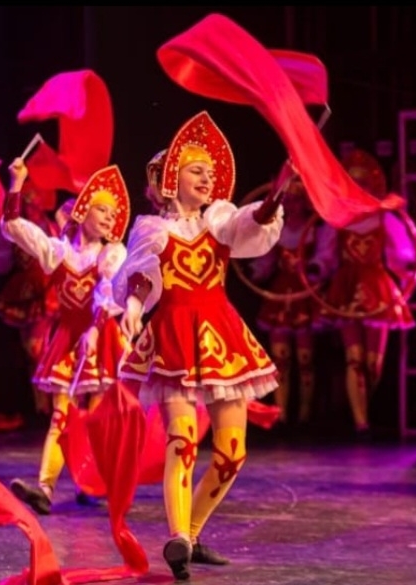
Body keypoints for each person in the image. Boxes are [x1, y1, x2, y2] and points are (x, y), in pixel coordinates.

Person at [114, 111, 285, 580]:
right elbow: (140, 275)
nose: (207, 178)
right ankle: (178, 537)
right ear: (171, 180)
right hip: (174, 336)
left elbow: (251, 225)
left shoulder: (219, 220)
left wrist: (274, 198)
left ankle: (191, 531)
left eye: (210, 172)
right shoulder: (152, 229)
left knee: (232, 452)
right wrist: (134, 306)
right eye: (196, 170)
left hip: (221, 337)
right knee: (183, 440)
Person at [2, 158, 130, 515]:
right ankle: (44, 488)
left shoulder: (112, 253)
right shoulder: (58, 251)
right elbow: (13, 227)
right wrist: (16, 184)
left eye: (113, 213)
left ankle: (92, 484)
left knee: (97, 417)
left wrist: (95, 328)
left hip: (102, 337)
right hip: (68, 338)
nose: (109, 217)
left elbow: (108, 293)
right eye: (102, 210)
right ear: (82, 211)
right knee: (61, 415)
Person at [309, 148, 416, 440]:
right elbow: (325, 255)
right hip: (345, 288)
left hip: (376, 288)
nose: (358, 187)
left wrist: (409, 265)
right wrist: (317, 268)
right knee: (354, 358)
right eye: (353, 182)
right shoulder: (339, 221)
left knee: (373, 362)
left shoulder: (385, 219)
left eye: (363, 182)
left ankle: (367, 408)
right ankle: (361, 422)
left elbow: (402, 254)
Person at [0, 178, 62, 417]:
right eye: (26, 202)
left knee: (43, 348)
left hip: (50, 289)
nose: (32, 206)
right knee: (31, 351)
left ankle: (57, 401)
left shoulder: (52, 226)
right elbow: (1, 264)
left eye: (34, 201)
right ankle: (41, 405)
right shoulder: (12, 230)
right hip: (24, 291)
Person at [247, 178, 322, 427]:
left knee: (305, 358)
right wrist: (257, 271)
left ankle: (304, 415)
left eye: (297, 201)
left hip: (304, 295)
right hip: (281, 295)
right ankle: (281, 414)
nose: (293, 206)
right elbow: (266, 260)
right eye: (289, 201)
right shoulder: (277, 229)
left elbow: (324, 259)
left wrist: (315, 271)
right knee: (281, 358)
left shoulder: (313, 230)